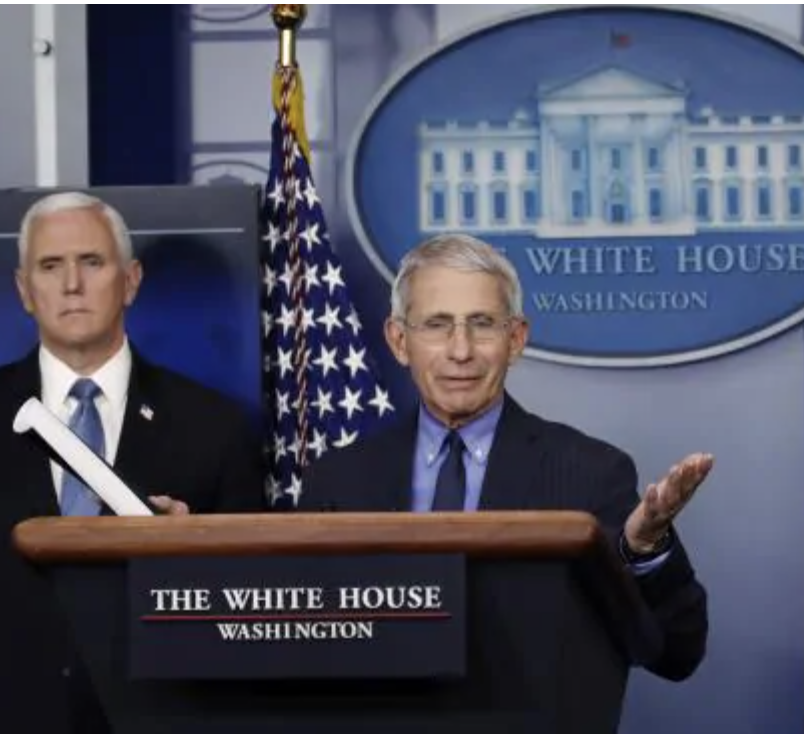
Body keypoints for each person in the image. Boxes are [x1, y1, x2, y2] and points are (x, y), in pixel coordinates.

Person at [301, 232, 712, 681]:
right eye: (437, 325)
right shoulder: (338, 481)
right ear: (399, 341)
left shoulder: (591, 474)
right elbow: (304, 648)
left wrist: (644, 548)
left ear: (515, 339)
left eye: (482, 323)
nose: (461, 351)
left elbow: (676, 653)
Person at [0, 191, 266, 731]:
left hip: (157, 720)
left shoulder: (215, 426)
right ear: (24, 290)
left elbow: (250, 613)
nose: (71, 284)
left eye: (91, 262)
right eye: (51, 266)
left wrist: (194, 553)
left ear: (132, 279)